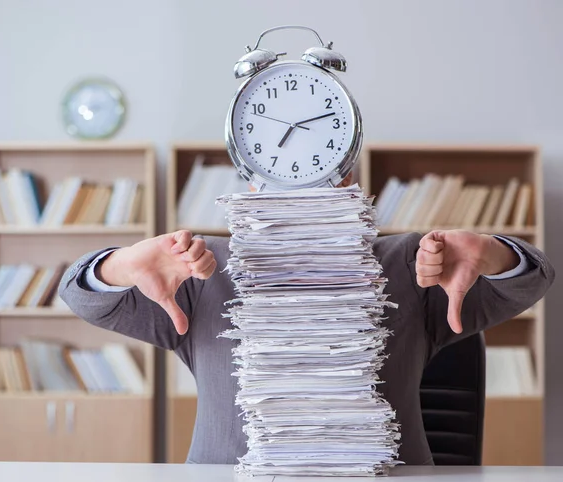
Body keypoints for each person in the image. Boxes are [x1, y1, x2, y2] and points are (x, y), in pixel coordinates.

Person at [59, 172, 555, 466]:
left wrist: (490, 253)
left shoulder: (415, 264)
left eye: (318, 167)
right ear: (248, 178)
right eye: (276, 169)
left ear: (350, 178)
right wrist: (121, 265)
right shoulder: (199, 269)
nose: (298, 187)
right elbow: (84, 298)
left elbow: (532, 280)